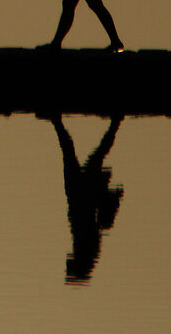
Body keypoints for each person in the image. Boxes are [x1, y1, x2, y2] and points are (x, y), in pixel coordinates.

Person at [45, 111, 124, 283]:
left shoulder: (86, 245)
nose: (67, 261)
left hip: (77, 194)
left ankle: (57, 120)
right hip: (81, 193)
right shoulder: (87, 245)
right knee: (84, 153)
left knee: (79, 152)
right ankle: (115, 123)